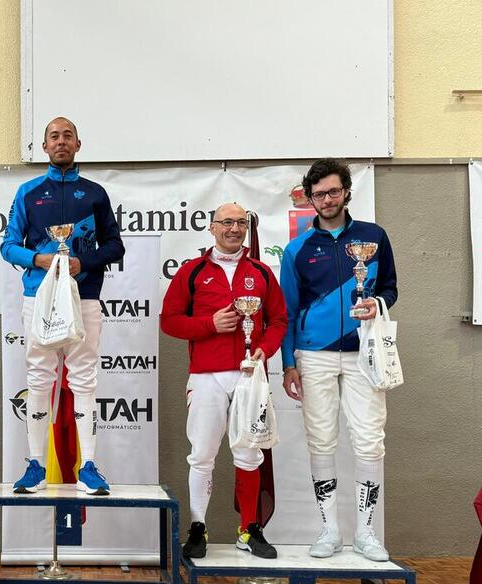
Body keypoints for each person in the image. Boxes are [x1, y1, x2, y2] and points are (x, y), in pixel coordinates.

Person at [279, 159, 398, 562]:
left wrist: (377, 304)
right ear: (309, 198)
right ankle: (329, 529)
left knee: (369, 440)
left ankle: (366, 533)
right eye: (318, 194)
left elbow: (390, 289)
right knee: (321, 440)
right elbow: (288, 311)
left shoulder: (374, 237)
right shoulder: (297, 250)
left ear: (347, 191)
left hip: (365, 352)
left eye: (333, 192)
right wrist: (288, 363)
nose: (327, 200)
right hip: (313, 357)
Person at [0, 116, 125, 495]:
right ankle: (35, 464)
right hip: (39, 296)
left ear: (78, 144)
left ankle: (88, 465)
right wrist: (39, 259)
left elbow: (115, 246)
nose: (61, 142)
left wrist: (82, 263)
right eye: (54, 136)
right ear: (44, 147)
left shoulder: (95, 194)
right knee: (39, 377)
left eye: (67, 136)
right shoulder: (28, 191)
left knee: (83, 377)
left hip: (83, 295)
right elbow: (7, 246)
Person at [161, 203, 288, 559]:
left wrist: (264, 349)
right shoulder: (192, 271)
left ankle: (249, 529)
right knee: (202, 454)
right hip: (206, 376)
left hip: (250, 376)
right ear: (212, 227)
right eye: (227, 222)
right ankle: (198, 527)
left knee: (249, 453)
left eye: (241, 222)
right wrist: (209, 325)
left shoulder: (261, 272)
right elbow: (169, 321)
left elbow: (278, 320)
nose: (234, 228)